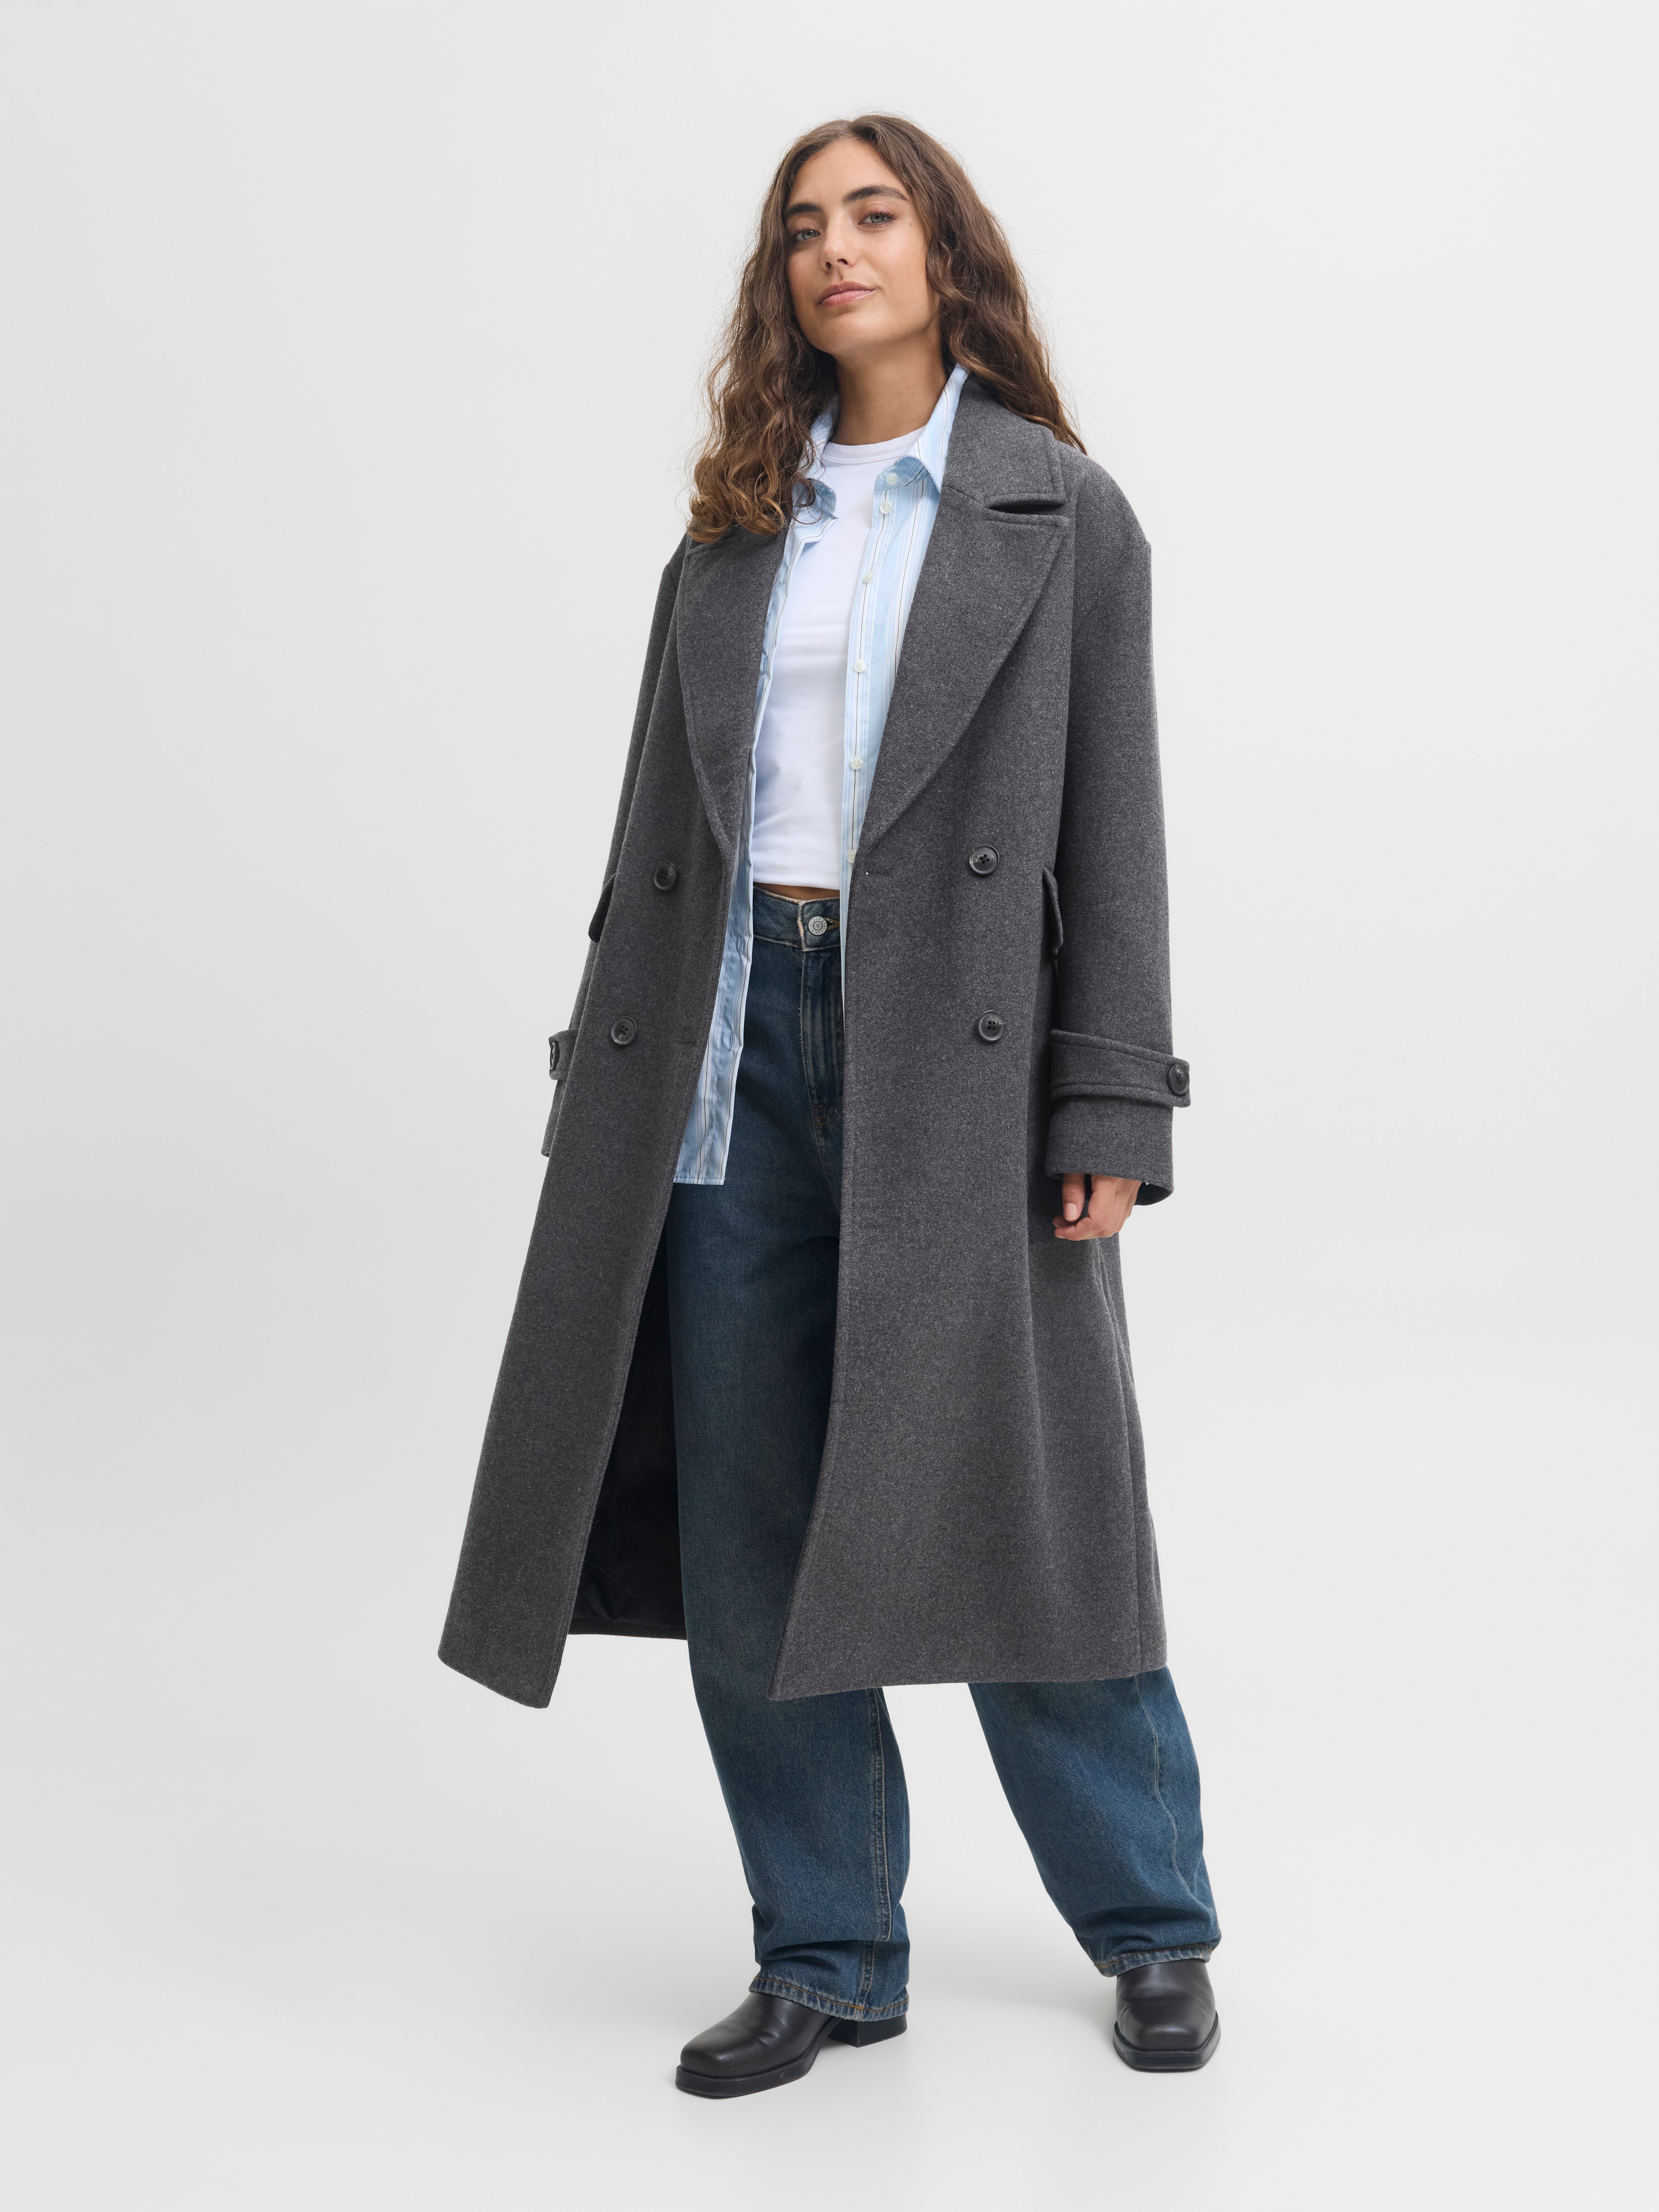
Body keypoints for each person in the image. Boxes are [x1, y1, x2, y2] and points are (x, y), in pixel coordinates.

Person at [439, 113, 1221, 2098]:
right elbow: (652, 834)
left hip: (952, 1059)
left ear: (948, 251)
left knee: (1030, 1514)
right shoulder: (733, 527)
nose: (834, 249)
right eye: (803, 226)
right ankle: (826, 1950)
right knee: (751, 1531)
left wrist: (1109, 1108)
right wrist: (605, 1076)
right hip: (727, 1049)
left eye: (873, 214)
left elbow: (1117, 836)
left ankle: (1152, 1924)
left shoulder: (1062, 512)